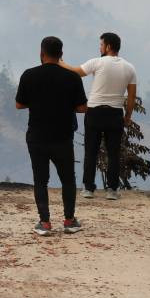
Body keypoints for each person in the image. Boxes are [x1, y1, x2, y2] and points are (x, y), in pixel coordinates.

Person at [15, 36, 88, 236]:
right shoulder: (72, 77)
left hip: (37, 136)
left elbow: (19, 104)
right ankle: (69, 221)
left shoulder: (29, 75)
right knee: (68, 179)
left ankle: (45, 223)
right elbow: (82, 108)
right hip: (62, 137)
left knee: (40, 180)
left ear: (41, 53)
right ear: (61, 55)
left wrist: (39, 102)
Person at [59, 32, 137, 200]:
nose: (100, 47)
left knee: (91, 152)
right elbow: (131, 97)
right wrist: (128, 116)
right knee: (114, 153)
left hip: (94, 112)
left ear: (108, 46)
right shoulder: (130, 68)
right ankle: (112, 190)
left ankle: (88, 188)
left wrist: (61, 63)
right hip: (115, 113)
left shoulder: (97, 62)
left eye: (101, 44)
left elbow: (76, 72)